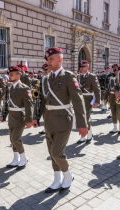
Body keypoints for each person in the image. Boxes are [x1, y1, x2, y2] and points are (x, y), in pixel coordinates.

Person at [32, 47, 88, 193]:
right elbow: (41, 100)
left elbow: (78, 100)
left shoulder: (68, 76)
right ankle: (57, 179)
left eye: (51, 59)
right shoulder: (46, 78)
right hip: (49, 120)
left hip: (64, 119)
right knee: (51, 153)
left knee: (57, 152)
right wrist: (35, 117)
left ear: (60, 59)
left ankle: (68, 175)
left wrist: (82, 124)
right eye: (48, 59)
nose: (48, 62)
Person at [0, 66, 33, 170]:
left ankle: (24, 158)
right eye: (9, 74)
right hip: (11, 117)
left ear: (18, 75)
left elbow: (29, 105)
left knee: (16, 139)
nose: (10, 76)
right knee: (12, 139)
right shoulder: (9, 87)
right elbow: (6, 103)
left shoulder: (24, 88)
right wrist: (3, 114)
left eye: (12, 74)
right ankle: (16, 158)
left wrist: (29, 120)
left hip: (20, 117)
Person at [77, 60, 100, 144]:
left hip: (88, 99)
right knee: (81, 118)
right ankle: (88, 133)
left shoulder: (92, 76)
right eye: (81, 66)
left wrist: (97, 101)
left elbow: (97, 90)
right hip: (79, 100)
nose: (81, 68)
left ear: (87, 67)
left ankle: (86, 135)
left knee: (85, 118)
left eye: (83, 66)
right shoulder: (78, 77)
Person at [105, 66, 120, 134]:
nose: (117, 72)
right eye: (116, 71)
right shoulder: (112, 79)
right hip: (112, 98)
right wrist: (105, 98)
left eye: (118, 71)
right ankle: (115, 128)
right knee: (113, 113)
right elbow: (108, 89)